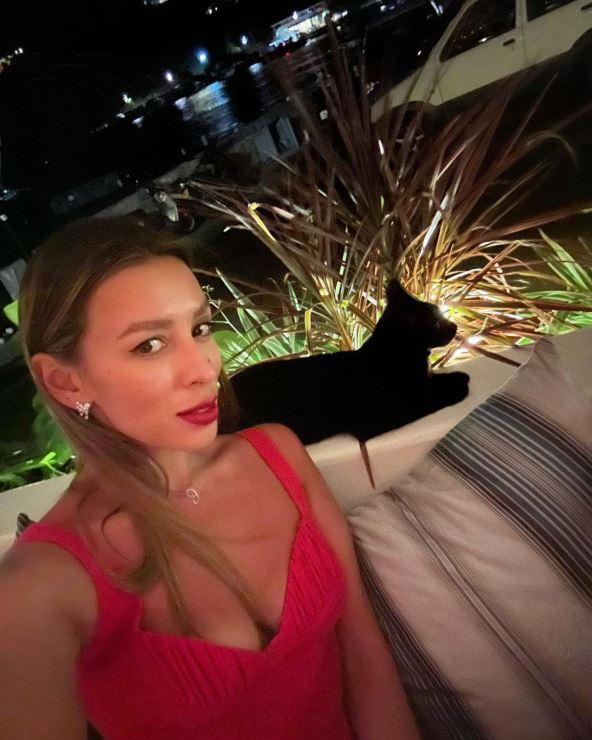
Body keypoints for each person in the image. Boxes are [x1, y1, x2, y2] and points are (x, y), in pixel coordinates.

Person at [0, 216, 420, 740]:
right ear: (65, 382)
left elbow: (363, 655)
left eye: (199, 328)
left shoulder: (276, 455)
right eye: (150, 345)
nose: (204, 368)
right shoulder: (44, 583)